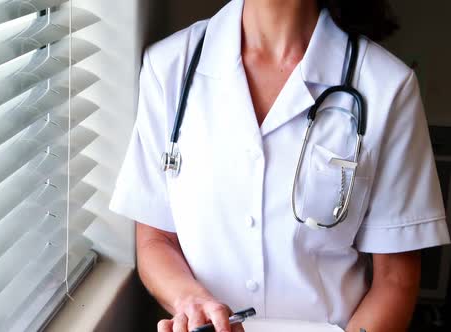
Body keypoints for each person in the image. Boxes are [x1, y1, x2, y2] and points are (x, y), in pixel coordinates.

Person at [110, 0, 451, 331]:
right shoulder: (169, 67)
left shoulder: (387, 87)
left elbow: (395, 280)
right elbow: (156, 239)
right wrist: (191, 302)